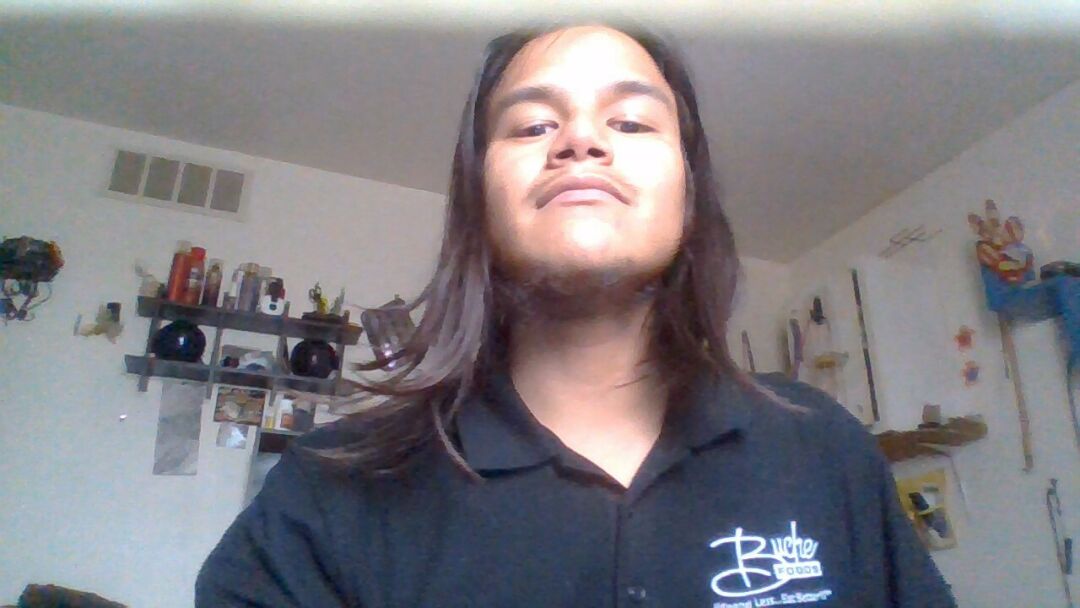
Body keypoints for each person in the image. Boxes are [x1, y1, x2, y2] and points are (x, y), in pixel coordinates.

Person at [196, 24, 957, 607]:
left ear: (689, 193)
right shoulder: (328, 492)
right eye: (533, 126)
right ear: (479, 197)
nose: (581, 140)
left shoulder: (824, 447)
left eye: (631, 123)